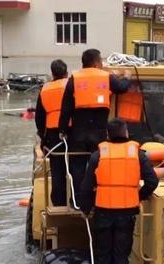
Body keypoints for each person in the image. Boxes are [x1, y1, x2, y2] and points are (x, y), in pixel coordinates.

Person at [80, 119, 159, 264]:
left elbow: (86, 186)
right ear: (125, 132)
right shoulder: (137, 155)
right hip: (126, 214)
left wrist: (85, 208)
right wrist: (137, 196)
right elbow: (152, 181)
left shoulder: (98, 155)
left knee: (104, 256)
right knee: (121, 258)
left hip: (103, 213)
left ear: (107, 135)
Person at [58, 49, 131, 208]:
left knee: (77, 168)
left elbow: (66, 109)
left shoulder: (74, 79)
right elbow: (122, 87)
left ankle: (77, 201)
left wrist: (62, 130)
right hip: (99, 134)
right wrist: (126, 76)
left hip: (78, 133)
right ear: (96, 63)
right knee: (99, 166)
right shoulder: (106, 77)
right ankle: (98, 198)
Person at [34, 59, 69, 206]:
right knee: (76, 168)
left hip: (54, 138)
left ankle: (58, 203)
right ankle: (76, 200)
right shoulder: (71, 85)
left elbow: (39, 118)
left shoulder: (45, 89)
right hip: (72, 133)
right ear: (66, 72)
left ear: (52, 74)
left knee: (57, 171)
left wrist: (43, 138)